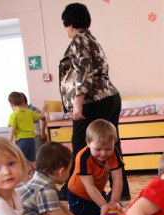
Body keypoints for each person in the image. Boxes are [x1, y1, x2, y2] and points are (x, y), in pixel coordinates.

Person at [59, 2, 130, 201]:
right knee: (110, 143)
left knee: (81, 145)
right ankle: (122, 190)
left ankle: (73, 189)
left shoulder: (79, 41)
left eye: (65, 24)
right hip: (109, 97)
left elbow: (83, 71)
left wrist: (78, 102)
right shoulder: (90, 39)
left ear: (69, 22)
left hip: (93, 101)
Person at [18, 141, 96, 215]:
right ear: (61, 171)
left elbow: (58, 205)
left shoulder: (40, 178)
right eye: (69, 170)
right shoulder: (46, 187)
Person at [67, 119, 123, 215]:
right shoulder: (83, 157)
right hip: (78, 196)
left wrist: (114, 202)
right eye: (98, 149)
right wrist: (103, 204)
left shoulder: (115, 153)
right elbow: (89, 185)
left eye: (108, 149)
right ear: (88, 143)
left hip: (98, 193)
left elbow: (118, 179)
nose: (103, 153)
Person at [7, 92, 48, 173]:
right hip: (31, 139)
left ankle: (25, 176)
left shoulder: (14, 115)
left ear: (11, 104)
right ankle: (36, 174)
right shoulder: (29, 111)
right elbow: (41, 116)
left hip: (22, 140)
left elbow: (13, 130)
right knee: (32, 160)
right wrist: (43, 110)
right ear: (23, 102)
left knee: (21, 160)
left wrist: (9, 141)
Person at [21, 92, 48, 157]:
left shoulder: (33, 109)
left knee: (38, 155)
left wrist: (42, 132)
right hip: (26, 137)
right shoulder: (19, 112)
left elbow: (43, 118)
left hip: (36, 136)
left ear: (23, 101)